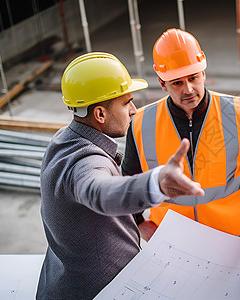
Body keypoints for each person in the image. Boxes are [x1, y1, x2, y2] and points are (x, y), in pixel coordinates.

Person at [121, 28, 240, 299]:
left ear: (203, 72)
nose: (188, 89)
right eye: (177, 83)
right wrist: (138, 221)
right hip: (173, 240)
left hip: (233, 239)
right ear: (162, 83)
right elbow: (128, 181)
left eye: (193, 78)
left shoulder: (239, 115)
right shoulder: (141, 123)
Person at [36, 52, 204, 299]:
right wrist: (155, 184)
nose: (134, 110)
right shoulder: (86, 161)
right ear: (100, 114)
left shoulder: (64, 140)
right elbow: (101, 192)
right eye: (126, 103)